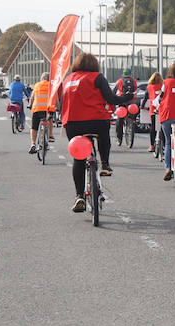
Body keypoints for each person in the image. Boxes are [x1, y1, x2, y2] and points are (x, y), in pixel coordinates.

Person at [59, 53, 133, 211]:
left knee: (78, 159)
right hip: (96, 120)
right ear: (94, 64)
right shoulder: (97, 77)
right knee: (103, 137)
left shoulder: (68, 79)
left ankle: (79, 196)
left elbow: (61, 102)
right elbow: (111, 98)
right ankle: (105, 164)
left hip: (72, 122)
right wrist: (127, 97)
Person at [28, 72, 56, 154]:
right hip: (48, 109)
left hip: (37, 108)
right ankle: (50, 135)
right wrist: (57, 107)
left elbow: (32, 97)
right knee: (50, 118)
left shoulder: (36, 85)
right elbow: (55, 98)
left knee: (34, 126)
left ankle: (33, 143)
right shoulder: (51, 86)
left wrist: (30, 105)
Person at [113, 70, 137, 145]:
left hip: (122, 101)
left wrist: (114, 98)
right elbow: (136, 90)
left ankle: (119, 138)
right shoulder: (133, 81)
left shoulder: (119, 81)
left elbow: (113, 91)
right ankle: (131, 123)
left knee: (119, 119)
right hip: (131, 102)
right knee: (132, 116)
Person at [144, 71, 163, 153]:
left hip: (153, 109)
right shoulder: (163, 86)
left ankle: (152, 146)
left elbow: (145, 98)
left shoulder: (149, 87)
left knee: (153, 128)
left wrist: (142, 106)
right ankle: (164, 145)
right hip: (162, 109)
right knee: (162, 127)